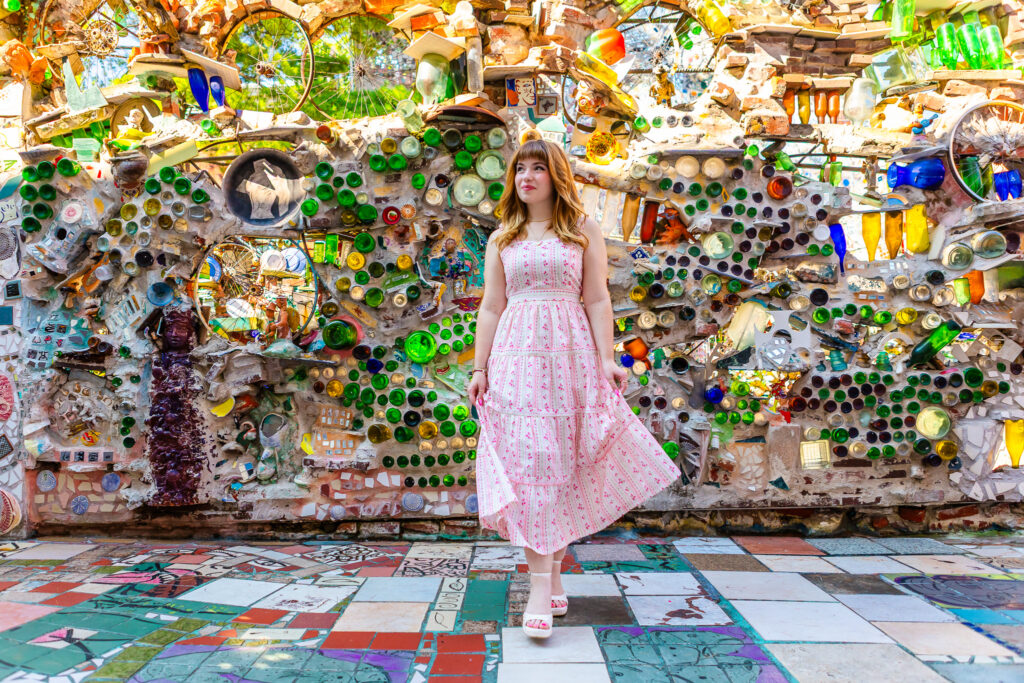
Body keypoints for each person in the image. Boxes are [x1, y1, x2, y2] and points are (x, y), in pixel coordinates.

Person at [467, 134, 680, 640]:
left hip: (570, 358)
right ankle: (541, 586)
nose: (527, 177)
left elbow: (598, 300)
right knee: (529, 465)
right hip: (517, 358)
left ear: (555, 175)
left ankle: (552, 572)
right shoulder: (503, 237)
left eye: (538, 168)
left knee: (561, 462)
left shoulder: (582, 228)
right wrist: (480, 369)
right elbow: (492, 306)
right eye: (521, 169)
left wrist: (607, 359)